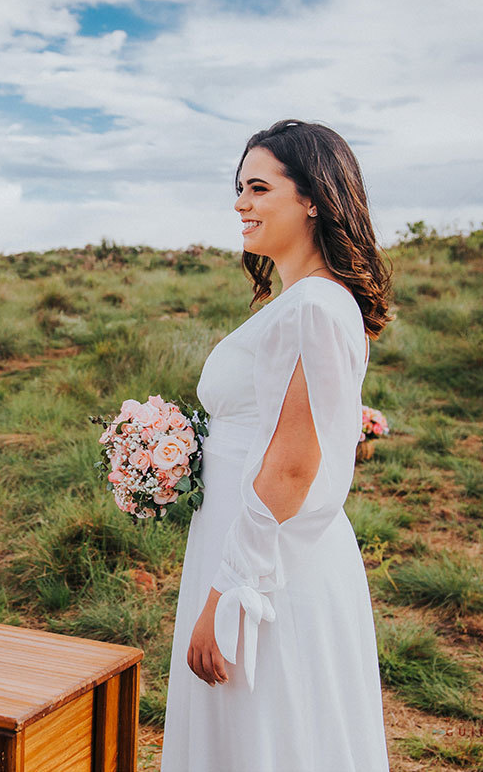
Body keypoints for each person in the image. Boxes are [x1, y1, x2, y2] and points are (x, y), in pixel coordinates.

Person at [161, 120, 391, 771]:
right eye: (239, 188)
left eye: (258, 187)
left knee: (270, 735)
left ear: (313, 197)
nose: (240, 203)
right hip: (241, 542)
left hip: (266, 568)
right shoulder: (298, 301)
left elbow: (292, 468)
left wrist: (226, 597)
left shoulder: (315, 307)